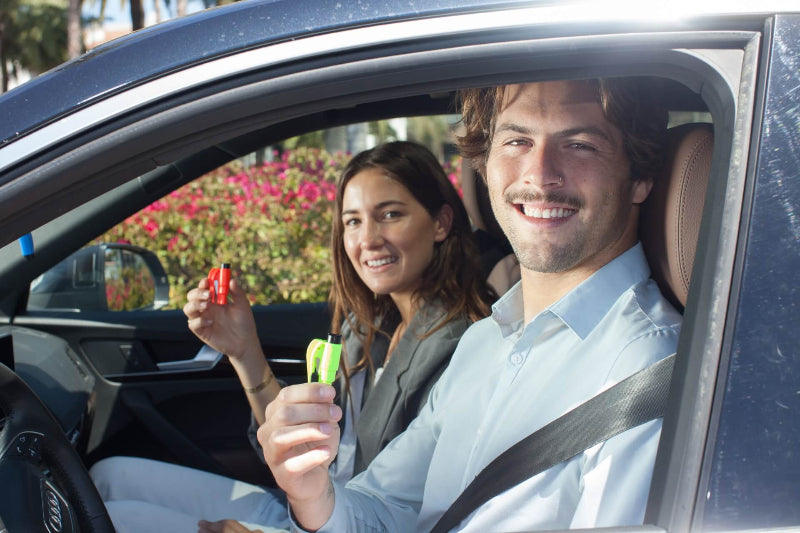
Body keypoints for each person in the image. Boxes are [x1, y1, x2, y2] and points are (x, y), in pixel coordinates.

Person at [256, 77, 683, 532]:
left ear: (639, 178)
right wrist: (313, 494)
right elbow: (383, 507)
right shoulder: (485, 340)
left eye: (579, 145)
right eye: (517, 140)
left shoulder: (646, 368)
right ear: (484, 164)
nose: (539, 174)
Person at [89, 141, 496, 533]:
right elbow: (299, 447)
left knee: (117, 519)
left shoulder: (459, 348)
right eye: (353, 220)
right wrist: (244, 350)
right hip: (311, 504)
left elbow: (419, 513)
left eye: (389, 215)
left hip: (347, 520)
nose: (367, 239)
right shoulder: (369, 323)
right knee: (108, 476)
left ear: (441, 223)